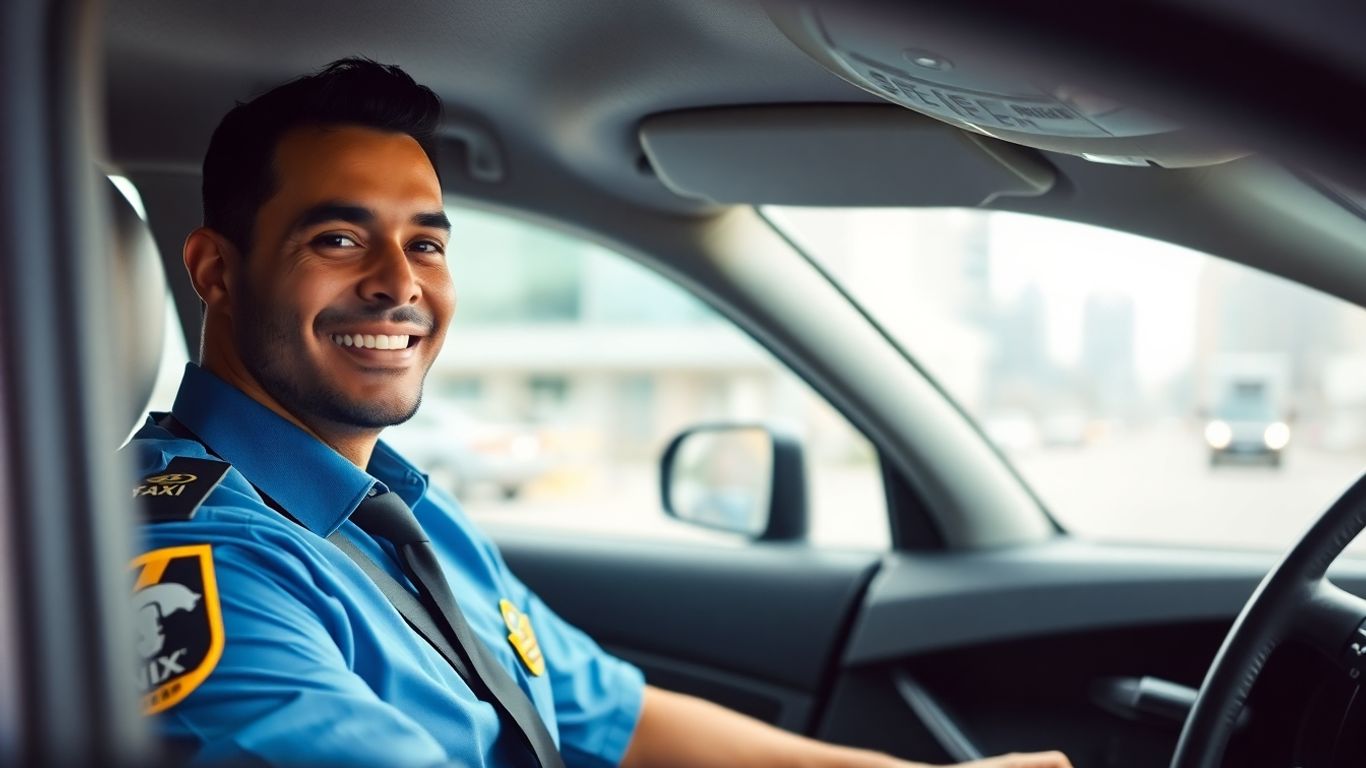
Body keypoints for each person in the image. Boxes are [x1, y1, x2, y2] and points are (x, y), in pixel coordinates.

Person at [123, 57, 1073, 768]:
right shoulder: (191, 564)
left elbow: (618, 718)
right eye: (338, 237)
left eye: (428, 244)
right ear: (214, 270)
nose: (399, 284)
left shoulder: (400, 511)